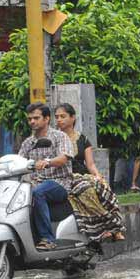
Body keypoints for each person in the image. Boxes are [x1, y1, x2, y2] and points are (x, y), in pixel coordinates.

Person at [54, 103, 126, 242]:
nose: (59, 120)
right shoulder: (55, 138)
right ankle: (113, 226)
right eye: (57, 117)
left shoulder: (83, 139)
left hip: (83, 175)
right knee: (86, 190)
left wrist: (98, 176)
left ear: (73, 118)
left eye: (63, 116)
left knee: (103, 188)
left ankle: (114, 230)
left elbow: (90, 164)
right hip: (66, 176)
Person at [18, 102, 74, 250]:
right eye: (30, 119)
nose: (32, 122)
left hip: (59, 182)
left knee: (38, 193)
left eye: (36, 118)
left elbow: (63, 158)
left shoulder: (60, 137)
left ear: (47, 118)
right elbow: (19, 162)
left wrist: (47, 162)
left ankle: (48, 239)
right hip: (34, 182)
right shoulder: (28, 143)